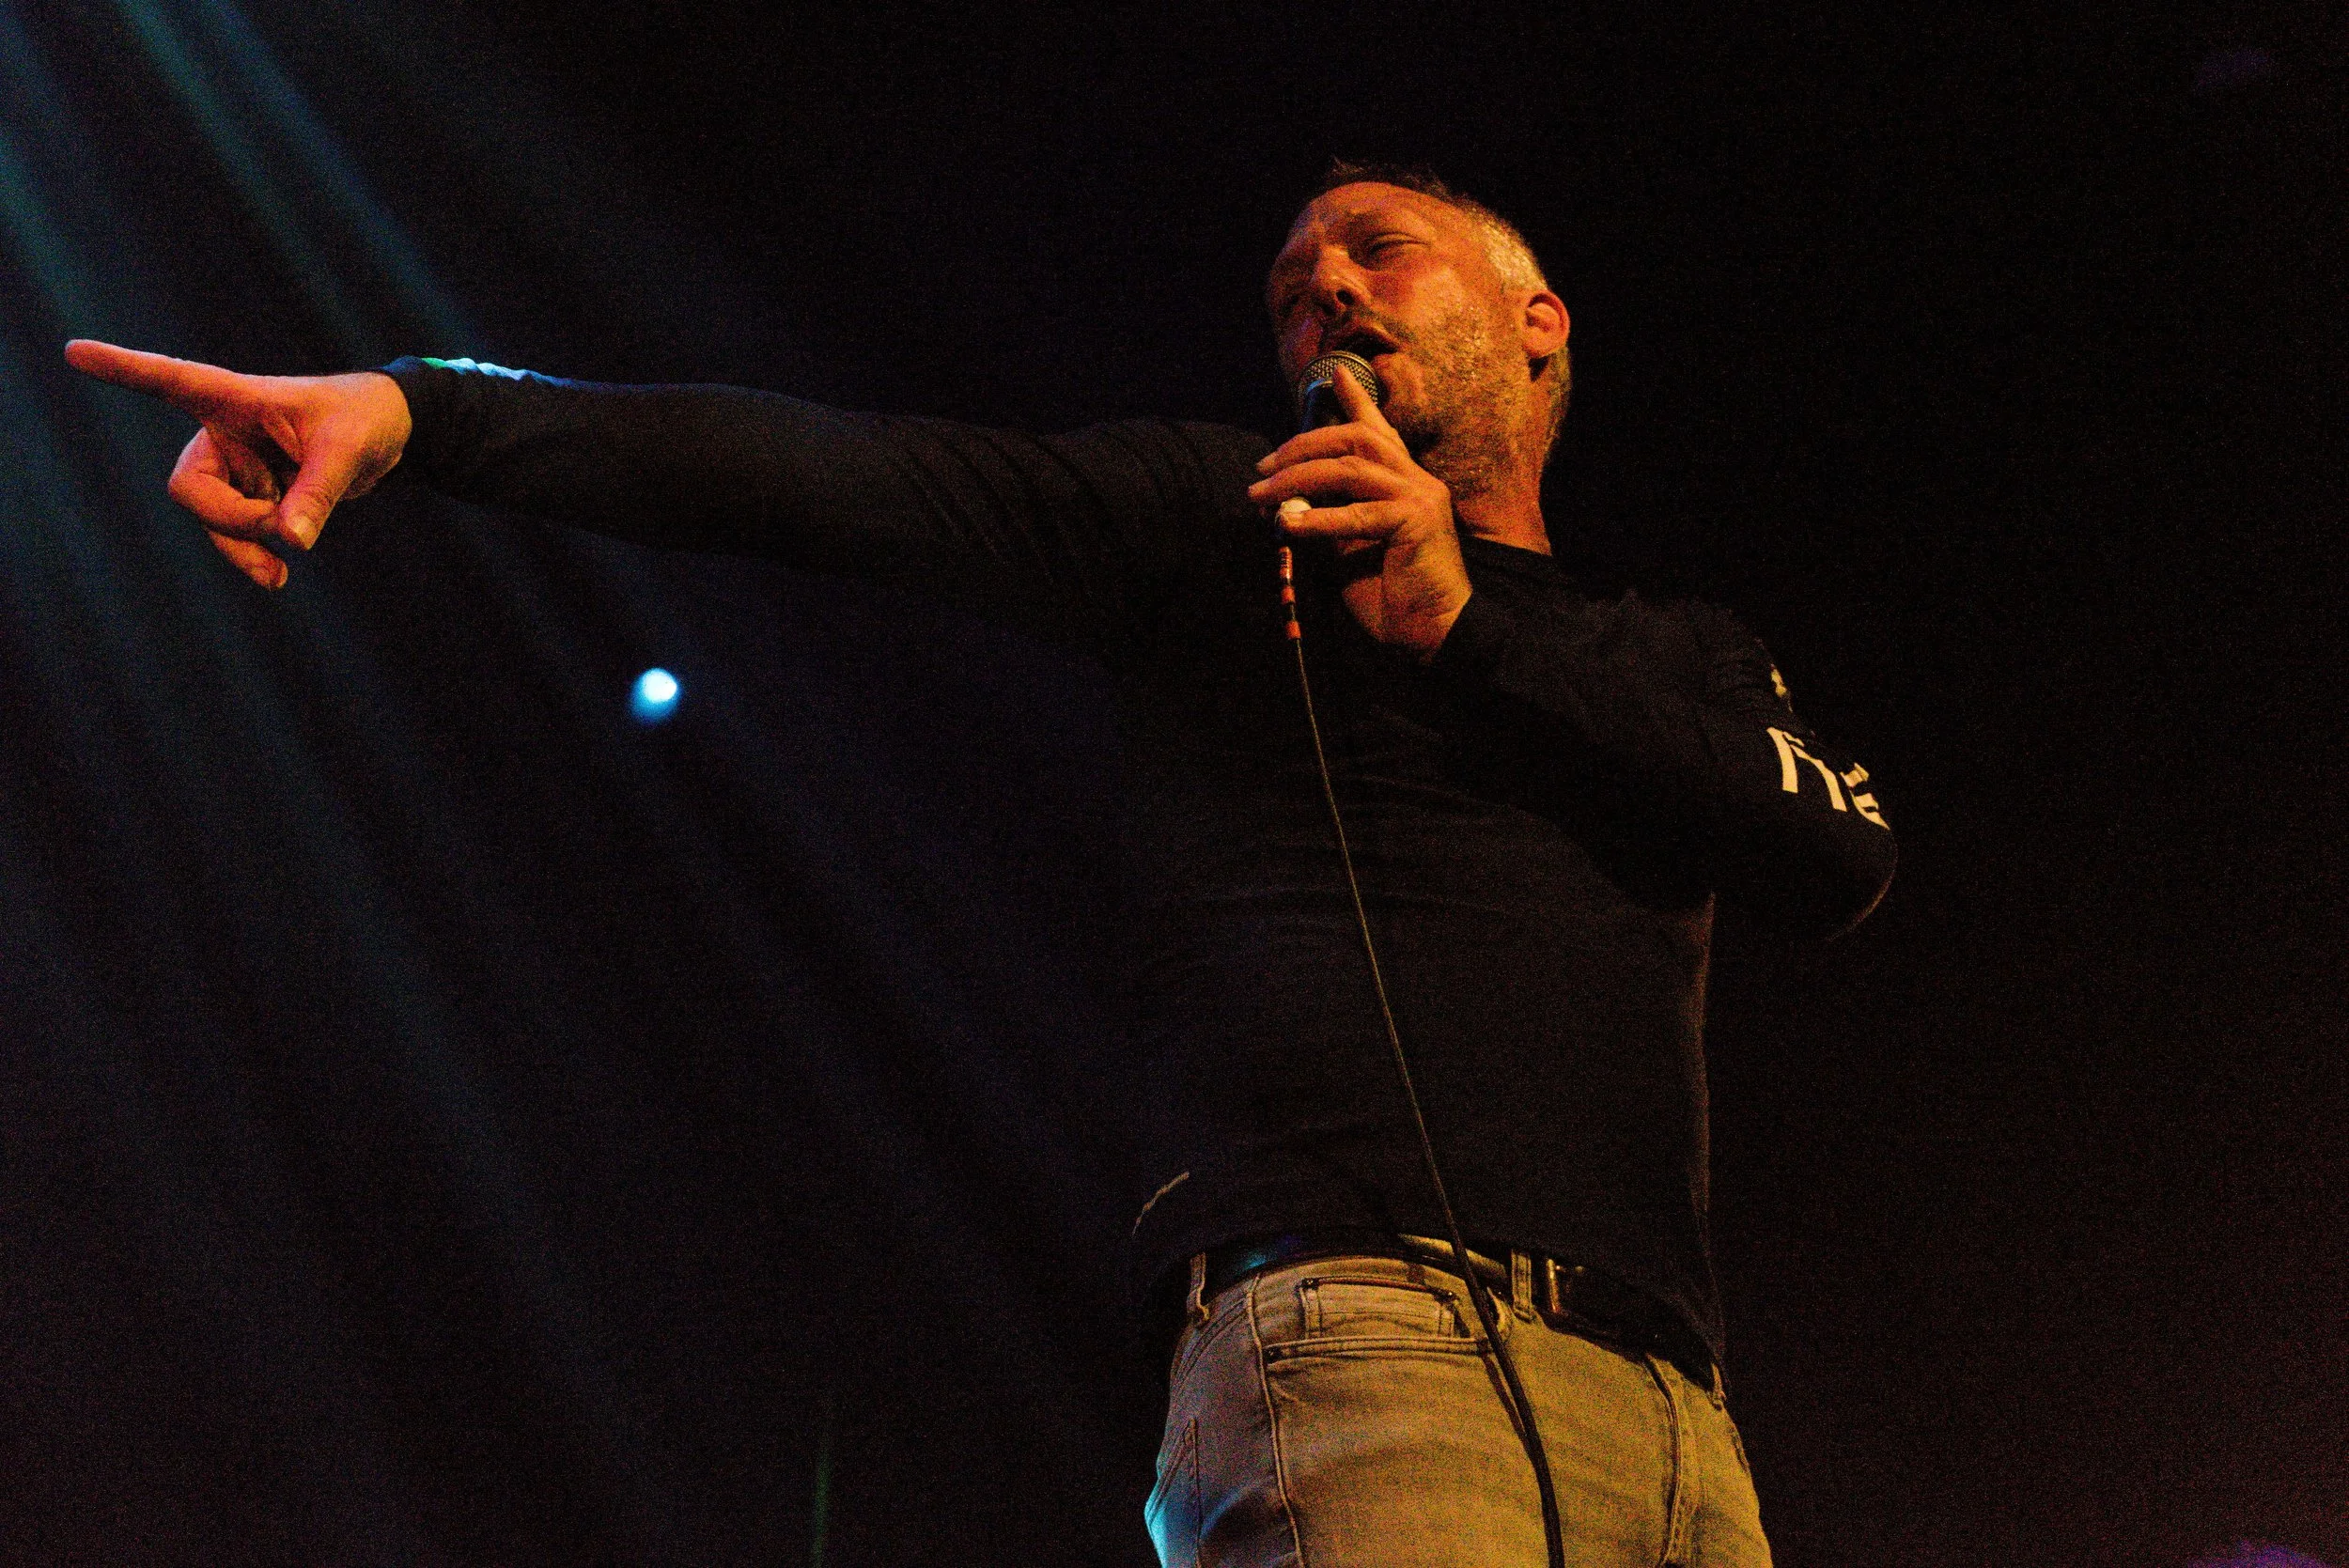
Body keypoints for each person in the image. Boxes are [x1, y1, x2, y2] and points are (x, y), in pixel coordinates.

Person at [68, 162, 1893, 1566]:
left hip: (1671, 1403)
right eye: (1286, 289)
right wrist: (417, 413)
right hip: (1364, 1343)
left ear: (1537, 322)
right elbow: (820, 478)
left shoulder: (1670, 650)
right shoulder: (1214, 523)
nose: (1321, 289)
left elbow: (1830, 853)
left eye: (1373, 251)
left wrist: (1457, 624)